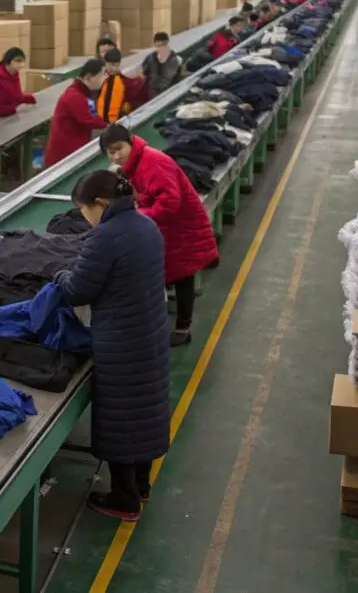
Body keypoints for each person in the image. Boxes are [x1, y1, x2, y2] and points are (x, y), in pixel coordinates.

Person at [53, 169, 170, 521]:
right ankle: (141, 485)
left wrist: (60, 275)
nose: (84, 219)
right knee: (146, 410)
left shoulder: (105, 238)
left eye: (84, 210)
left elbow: (78, 291)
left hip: (120, 342)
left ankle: (124, 499)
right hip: (150, 332)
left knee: (121, 418)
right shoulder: (147, 227)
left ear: (100, 204)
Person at [99, 124, 219, 346]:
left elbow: (169, 202)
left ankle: (183, 329)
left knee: (183, 274)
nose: (115, 156)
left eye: (119, 149)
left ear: (131, 143)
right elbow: (149, 194)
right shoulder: (134, 163)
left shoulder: (152, 161)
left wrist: (137, 214)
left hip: (180, 226)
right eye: (110, 152)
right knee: (173, 272)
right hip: (167, 226)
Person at [43, 58, 108, 168]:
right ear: (88, 77)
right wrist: (109, 124)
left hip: (70, 153)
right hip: (62, 159)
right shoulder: (75, 96)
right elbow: (88, 120)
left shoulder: (81, 93)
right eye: (102, 74)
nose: (105, 77)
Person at [96, 48, 146, 123]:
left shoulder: (122, 81)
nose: (114, 68)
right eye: (111, 65)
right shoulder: (99, 79)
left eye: (117, 65)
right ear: (105, 63)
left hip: (114, 124)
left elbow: (135, 90)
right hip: (99, 122)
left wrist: (140, 79)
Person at [0, 47, 36, 117]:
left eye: (23, 61)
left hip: (12, 115)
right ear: (8, 61)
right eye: (18, 61)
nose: (22, 65)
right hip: (1, 119)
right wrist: (16, 105)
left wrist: (30, 99)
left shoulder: (14, 73)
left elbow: (17, 96)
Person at [141, 32, 184, 99]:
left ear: (167, 43)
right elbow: (143, 74)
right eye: (158, 46)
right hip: (152, 95)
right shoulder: (149, 58)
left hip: (168, 95)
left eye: (163, 45)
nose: (160, 48)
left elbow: (176, 78)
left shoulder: (176, 60)